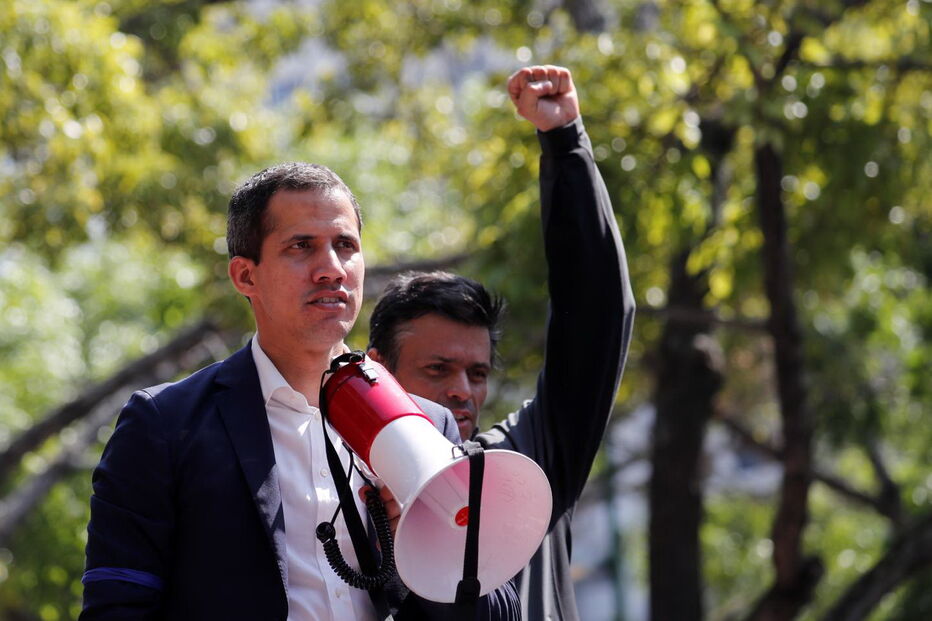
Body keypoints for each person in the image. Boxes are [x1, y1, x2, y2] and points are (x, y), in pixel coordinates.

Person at [80, 160, 519, 619]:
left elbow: (495, 609)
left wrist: (429, 542)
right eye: (301, 246)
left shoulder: (427, 423)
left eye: (345, 245)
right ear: (245, 277)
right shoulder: (165, 425)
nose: (331, 269)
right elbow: (117, 606)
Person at [367, 65, 636, 621]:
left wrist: (565, 143)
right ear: (378, 372)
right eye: (438, 370)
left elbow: (596, 317)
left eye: (478, 373)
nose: (463, 391)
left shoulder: (522, 466)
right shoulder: (333, 493)